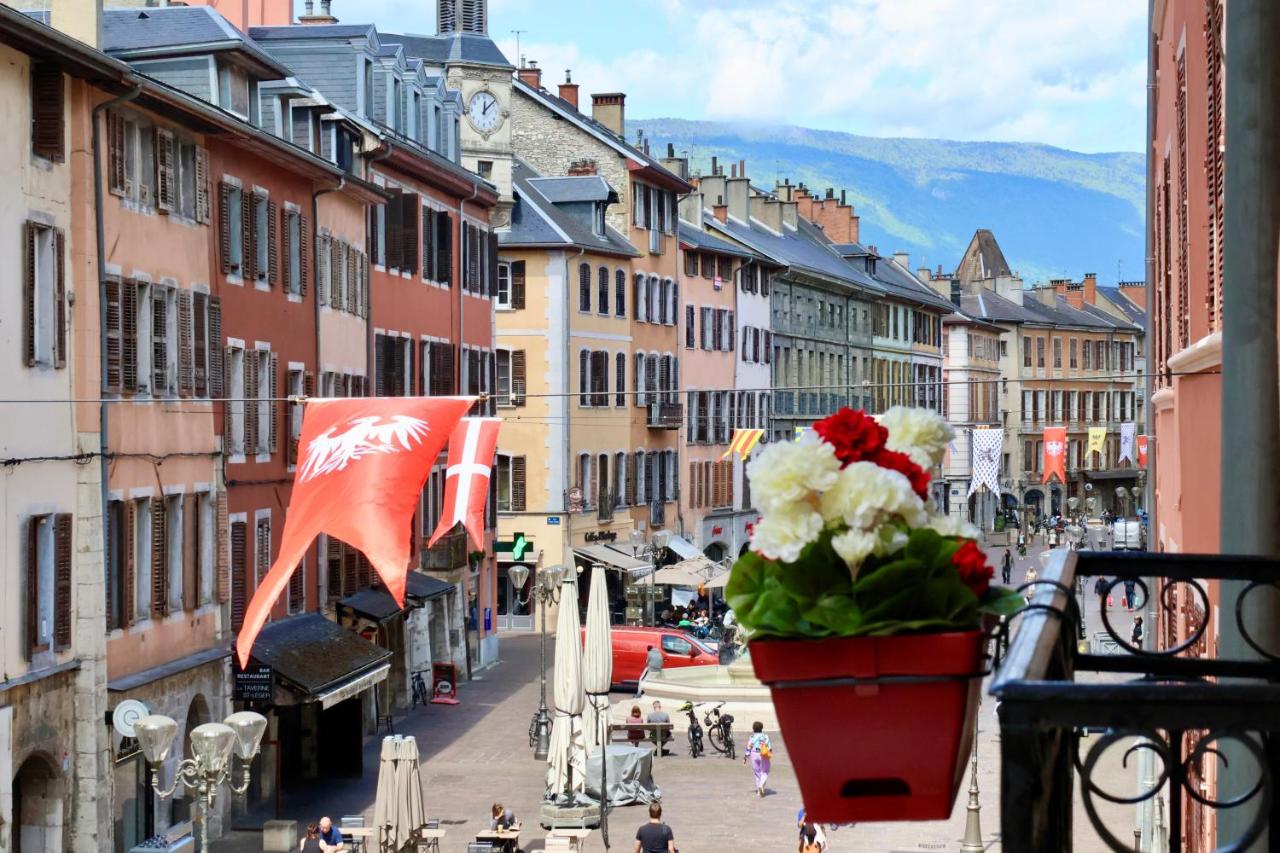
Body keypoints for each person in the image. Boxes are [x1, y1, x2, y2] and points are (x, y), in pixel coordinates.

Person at [743, 721, 772, 797]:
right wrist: (769, 753)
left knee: (757, 773)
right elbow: (769, 747)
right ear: (762, 728)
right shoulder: (765, 736)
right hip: (763, 755)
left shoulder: (751, 737)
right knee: (765, 771)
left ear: (753, 729)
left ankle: (759, 791)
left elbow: (748, 747)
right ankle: (761, 786)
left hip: (754, 754)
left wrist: (746, 757)